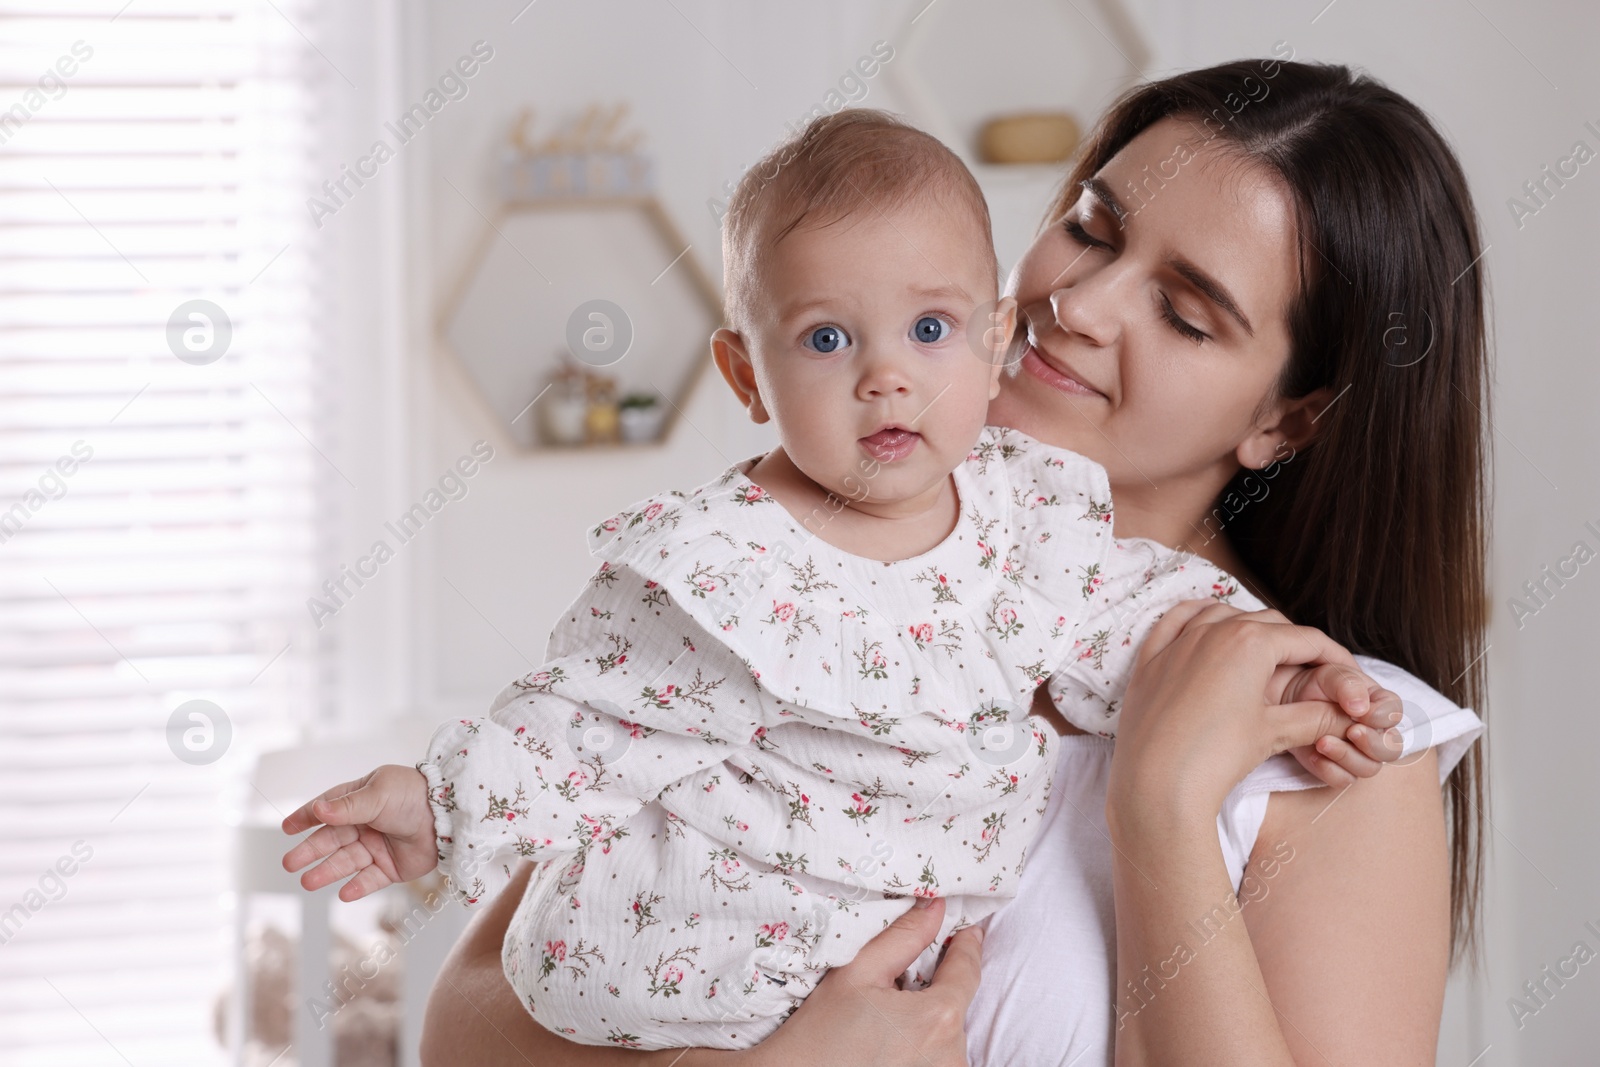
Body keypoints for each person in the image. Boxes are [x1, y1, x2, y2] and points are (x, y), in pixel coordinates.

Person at [417, 58, 1490, 1065]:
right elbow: (463, 1021)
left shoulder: (1331, 743)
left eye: (1182, 312)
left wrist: (1158, 805)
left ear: (1286, 419)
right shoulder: (797, 580)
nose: (1080, 304)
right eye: (1090, 230)